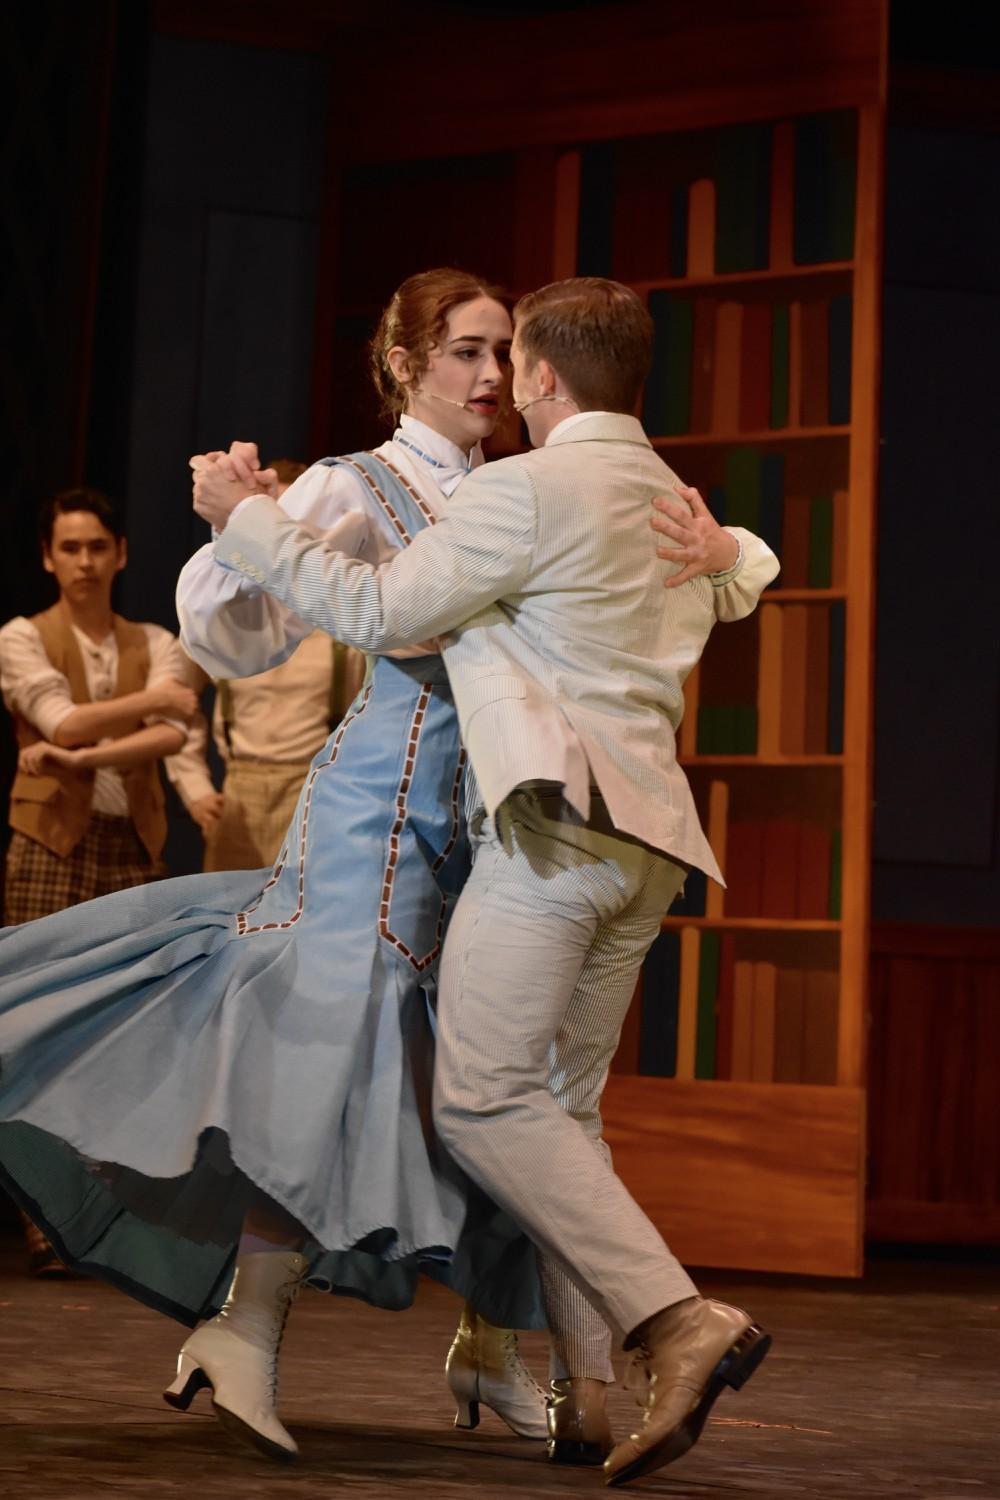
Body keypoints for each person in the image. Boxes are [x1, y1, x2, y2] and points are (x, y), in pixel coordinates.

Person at [193, 275, 780, 1487]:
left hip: (535, 828)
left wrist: (246, 519)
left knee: (487, 1102)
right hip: (502, 824)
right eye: (466, 350)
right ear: (405, 363)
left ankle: (632, 1333)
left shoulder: (524, 487)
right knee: (478, 1088)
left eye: (505, 354)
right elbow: (239, 630)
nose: (491, 375)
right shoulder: (622, 487)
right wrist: (246, 528)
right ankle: (571, 1380)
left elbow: (378, 603)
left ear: (542, 376)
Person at [0, 486, 202, 1274]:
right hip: (48, 846)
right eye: (69, 548)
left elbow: (173, 734)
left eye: (97, 547)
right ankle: (42, 1217)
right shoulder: (22, 636)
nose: (84, 562)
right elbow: (65, 720)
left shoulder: (153, 637)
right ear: (49, 557)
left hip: (130, 847)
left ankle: (101, 1218)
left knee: (122, 1039)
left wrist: (87, 753)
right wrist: (150, 706)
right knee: (30, 1032)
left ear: (119, 553)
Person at [165, 458, 367, 873]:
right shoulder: (226, 612)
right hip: (239, 789)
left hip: (309, 788)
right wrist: (195, 788)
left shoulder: (336, 616)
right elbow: (175, 703)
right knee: (230, 922)